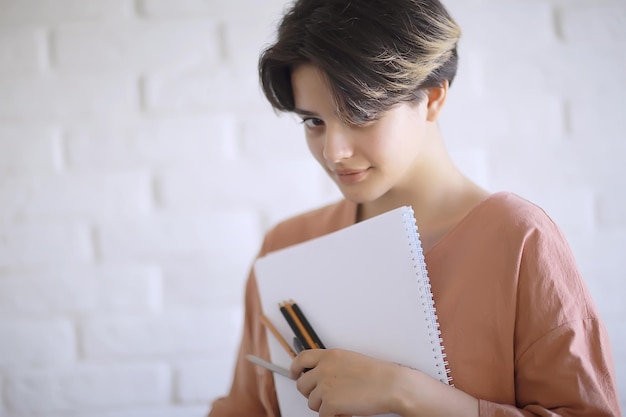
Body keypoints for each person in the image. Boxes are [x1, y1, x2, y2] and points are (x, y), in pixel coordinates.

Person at [208, 0, 622, 416]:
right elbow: (244, 407)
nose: (333, 151)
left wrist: (410, 393)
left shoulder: (519, 240)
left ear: (433, 98)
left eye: (359, 113)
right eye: (314, 122)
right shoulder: (286, 245)